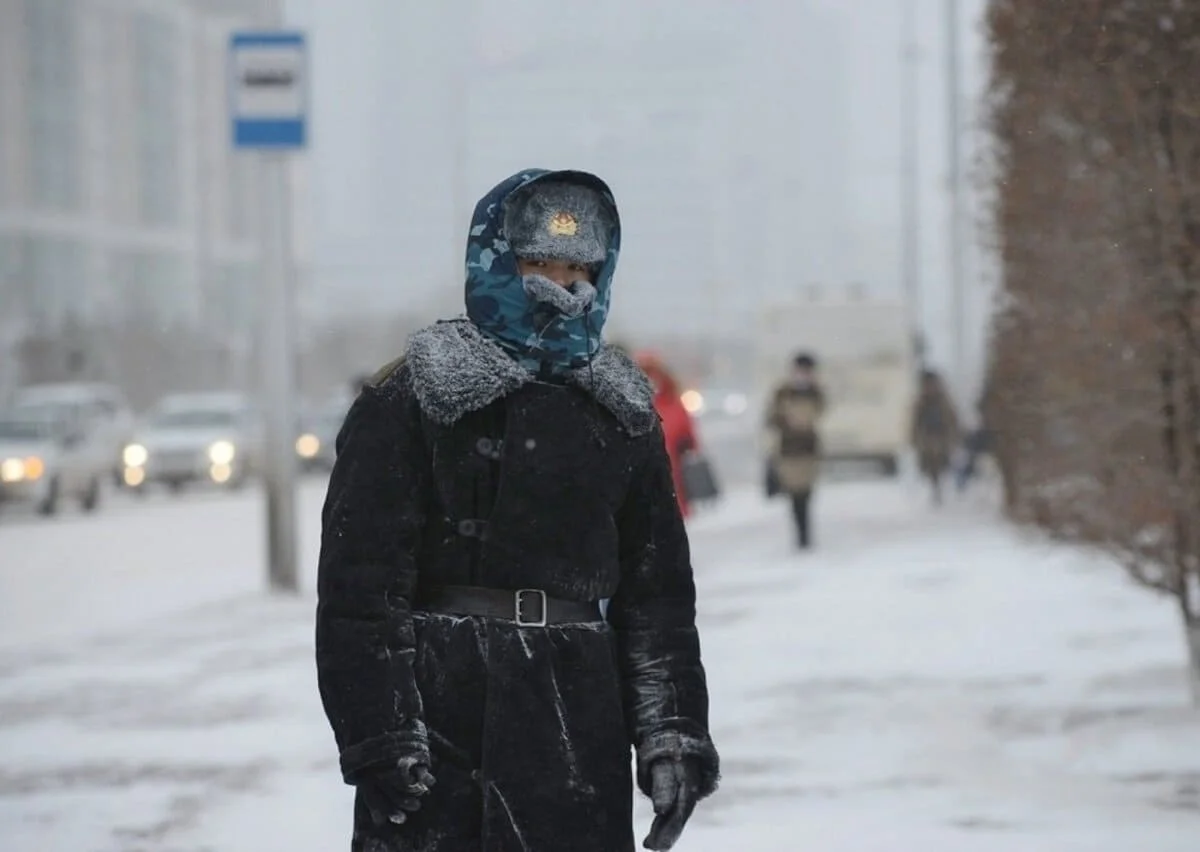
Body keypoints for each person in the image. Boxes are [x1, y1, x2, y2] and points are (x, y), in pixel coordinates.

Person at [315, 168, 719, 852]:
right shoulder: (415, 397)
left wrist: (670, 732)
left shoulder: (621, 411)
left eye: (577, 267)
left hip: (574, 721)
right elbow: (360, 591)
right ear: (497, 260)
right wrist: (379, 733)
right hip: (442, 718)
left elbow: (656, 601)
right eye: (539, 262)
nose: (560, 286)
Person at [764, 352, 825, 549]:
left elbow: (820, 412)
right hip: (789, 450)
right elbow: (770, 418)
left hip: (808, 450)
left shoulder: (815, 393)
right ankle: (801, 535)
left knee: (806, 493)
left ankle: (805, 534)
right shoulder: (783, 392)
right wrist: (785, 422)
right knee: (794, 494)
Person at [634, 351, 700, 517]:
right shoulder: (630, 405)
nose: (650, 379)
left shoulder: (672, 403)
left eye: (652, 373)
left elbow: (690, 438)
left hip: (671, 480)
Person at [911, 368, 962, 504]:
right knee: (931, 464)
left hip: (941, 437)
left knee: (942, 463)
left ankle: (941, 488)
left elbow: (952, 419)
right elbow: (916, 422)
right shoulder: (922, 401)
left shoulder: (943, 400)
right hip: (927, 437)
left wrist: (955, 436)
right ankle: (936, 488)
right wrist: (915, 439)